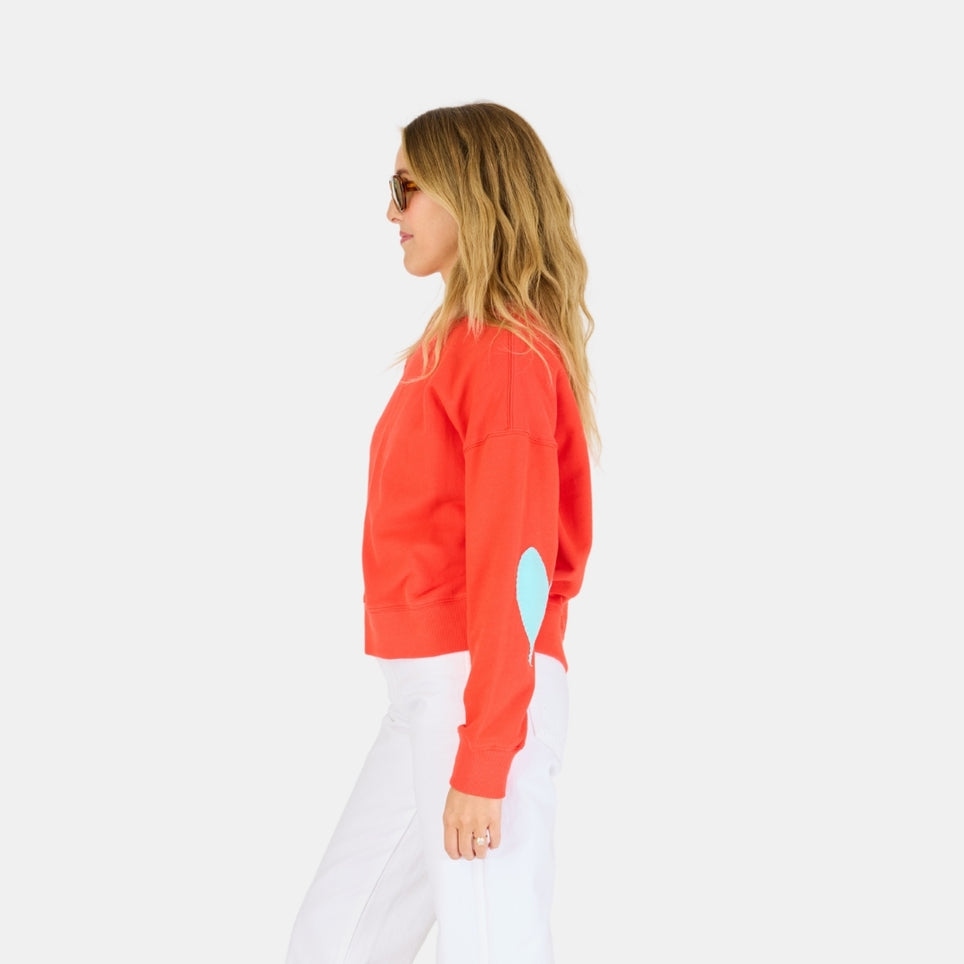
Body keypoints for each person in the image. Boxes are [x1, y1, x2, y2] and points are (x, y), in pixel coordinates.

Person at [285, 101, 598, 964]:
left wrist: (488, 752)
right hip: (431, 691)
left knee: (494, 943)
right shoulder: (458, 345)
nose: (391, 212)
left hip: (478, 689)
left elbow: (518, 561)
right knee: (335, 938)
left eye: (406, 189)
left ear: (468, 193)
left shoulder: (504, 355)